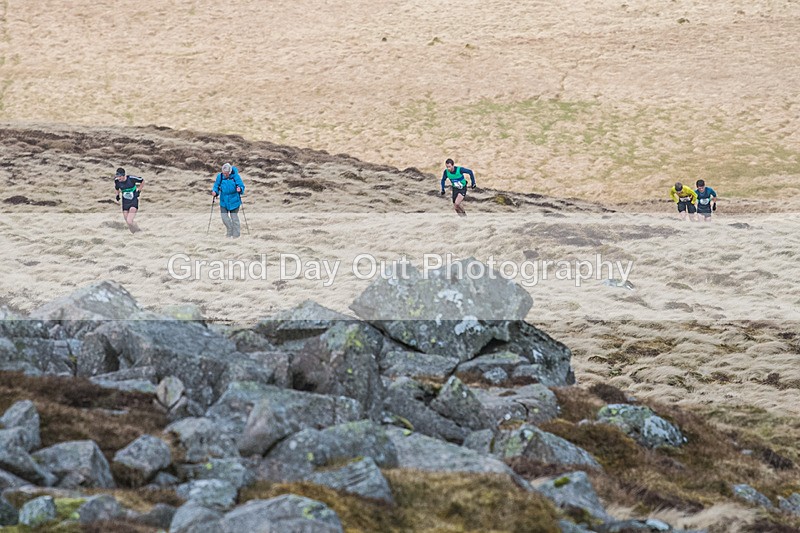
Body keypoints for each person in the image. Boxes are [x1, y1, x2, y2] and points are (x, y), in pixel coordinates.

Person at [211, 163, 246, 238]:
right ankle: (230, 230)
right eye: (224, 173)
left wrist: (240, 189)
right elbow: (216, 186)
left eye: (226, 173)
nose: (225, 175)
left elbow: (241, 186)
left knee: (234, 218)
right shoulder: (220, 176)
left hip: (234, 201)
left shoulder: (236, 176)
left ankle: (236, 236)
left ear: (230, 172)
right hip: (223, 201)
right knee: (224, 218)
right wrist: (214, 192)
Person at [114, 167, 144, 233]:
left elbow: (142, 180)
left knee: (129, 221)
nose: (118, 178)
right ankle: (134, 234)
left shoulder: (131, 179)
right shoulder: (117, 181)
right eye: (117, 176)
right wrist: (117, 195)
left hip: (133, 202)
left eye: (120, 177)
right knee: (128, 222)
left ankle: (139, 231)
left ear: (123, 175)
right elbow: (117, 188)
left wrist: (138, 190)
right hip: (125, 203)